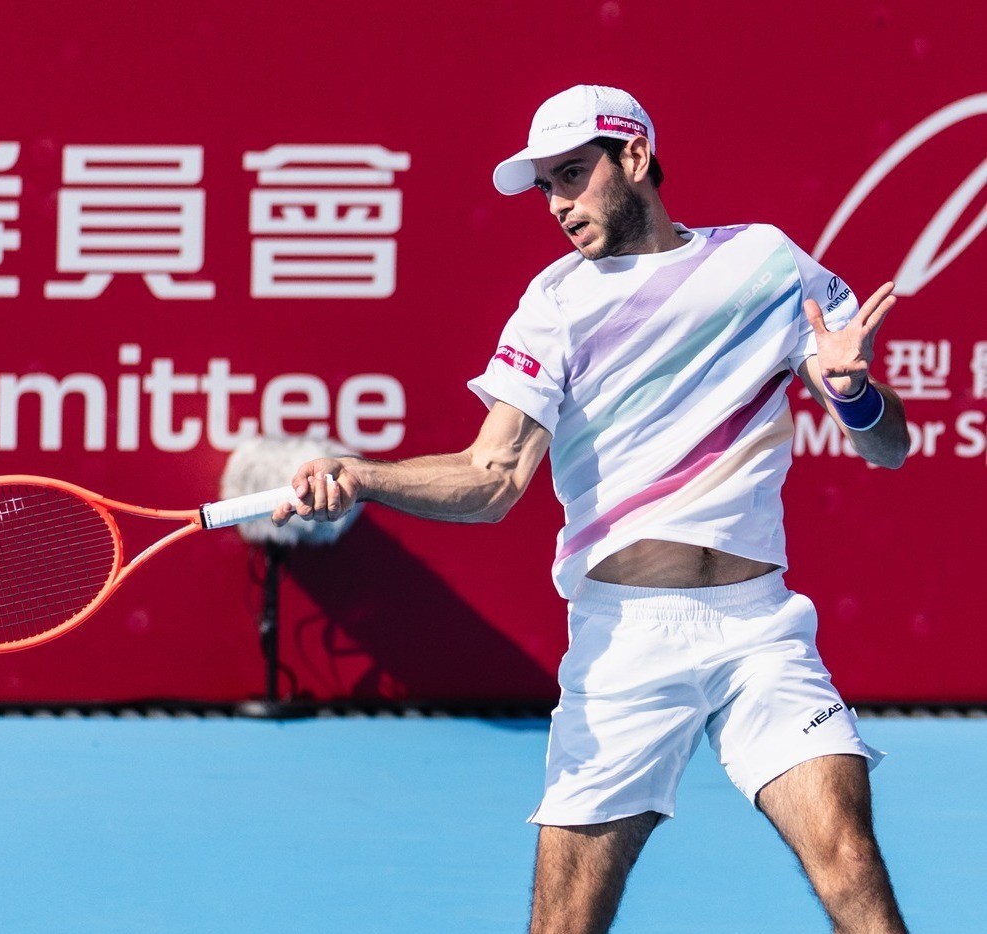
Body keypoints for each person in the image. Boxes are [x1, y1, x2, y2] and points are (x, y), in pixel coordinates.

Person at [272, 84, 911, 933]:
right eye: (547, 188)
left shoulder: (764, 263)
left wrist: (855, 392)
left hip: (762, 633)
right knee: (565, 925)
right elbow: (491, 478)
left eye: (573, 176)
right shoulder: (554, 306)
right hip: (626, 648)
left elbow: (887, 448)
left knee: (852, 865)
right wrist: (366, 475)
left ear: (635, 160)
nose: (560, 206)